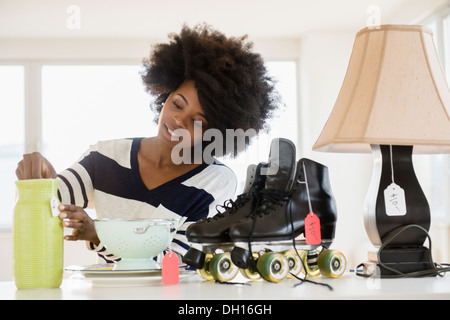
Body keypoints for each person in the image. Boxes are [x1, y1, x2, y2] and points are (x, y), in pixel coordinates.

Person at [15, 24, 281, 263]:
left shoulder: (214, 181)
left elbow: (174, 262)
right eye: (177, 104)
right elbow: (47, 204)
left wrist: (98, 234)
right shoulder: (105, 157)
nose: (178, 121)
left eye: (197, 121)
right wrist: (38, 182)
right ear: (164, 95)